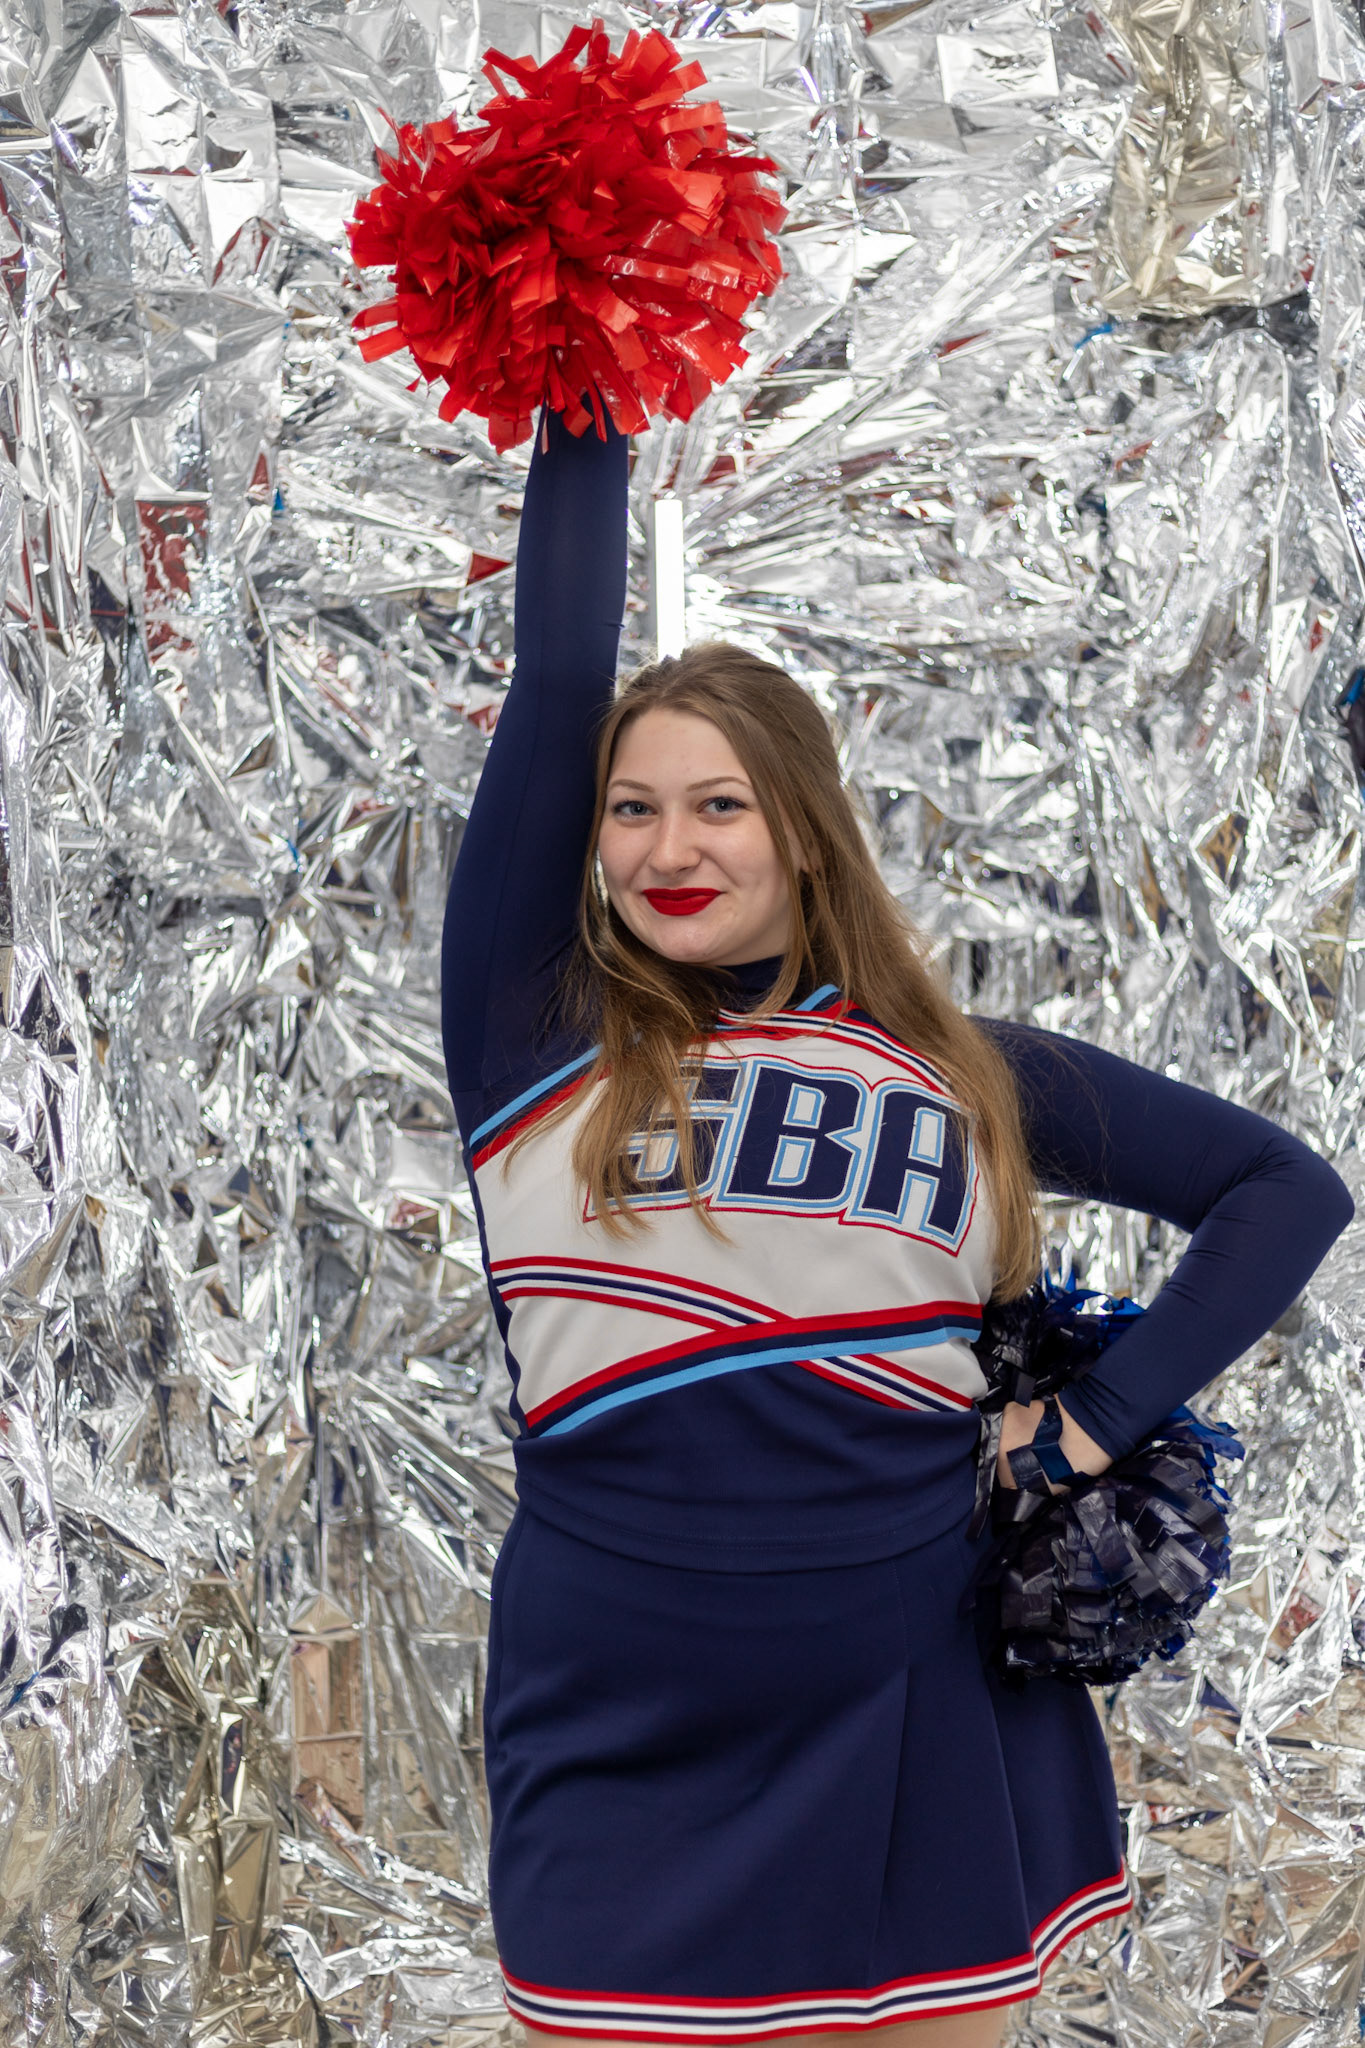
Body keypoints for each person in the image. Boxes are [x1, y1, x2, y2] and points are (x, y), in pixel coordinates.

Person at [441, 410, 1353, 2048]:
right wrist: (578, 353)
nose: (668, 848)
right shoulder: (533, 1033)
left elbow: (1284, 1190)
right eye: (630, 811)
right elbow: (558, 673)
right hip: (616, 1711)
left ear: (800, 826)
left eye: (715, 805)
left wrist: (1083, 1431)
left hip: (905, 1700)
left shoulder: (959, 1070)